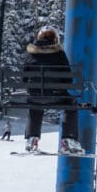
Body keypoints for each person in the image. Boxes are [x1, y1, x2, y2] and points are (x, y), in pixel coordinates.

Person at [23, 26, 83, 154]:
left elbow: (24, 78)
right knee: (71, 105)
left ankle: (32, 139)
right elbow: (68, 79)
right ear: (55, 39)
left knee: (35, 106)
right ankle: (68, 140)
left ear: (39, 37)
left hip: (35, 96)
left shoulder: (30, 54)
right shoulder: (59, 54)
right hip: (57, 96)